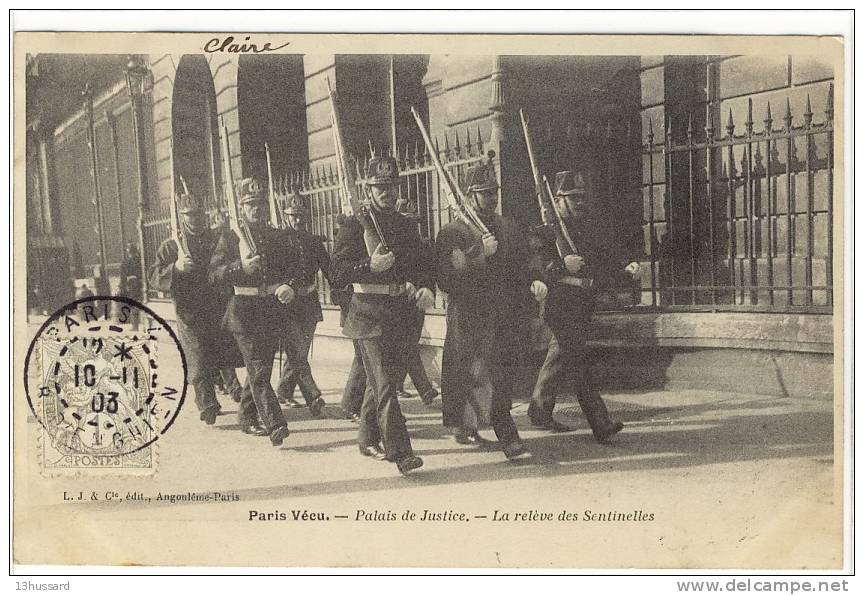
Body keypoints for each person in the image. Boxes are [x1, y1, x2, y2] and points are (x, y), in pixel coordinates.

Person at [436, 158, 547, 460]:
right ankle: (497, 433)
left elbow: (524, 262)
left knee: (498, 374)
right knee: (469, 372)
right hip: (468, 315)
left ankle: (483, 425)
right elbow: (446, 278)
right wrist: (478, 253)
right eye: (485, 193)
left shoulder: (506, 226)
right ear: (469, 195)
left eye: (494, 192)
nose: (492, 198)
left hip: (501, 314)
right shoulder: (453, 232)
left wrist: (535, 280)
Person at [331, 155, 433, 474]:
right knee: (385, 384)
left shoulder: (405, 225)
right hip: (366, 317)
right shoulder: (353, 224)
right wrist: (367, 267)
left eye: (390, 186)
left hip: (399, 314)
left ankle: (366, 437)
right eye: (379, 187)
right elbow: (336, 273)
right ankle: (401, 452)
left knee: (380, 384)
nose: (386, 192)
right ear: (369, 189)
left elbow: (422, 264)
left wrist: (425, 287)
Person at [528, 170, 640, 442]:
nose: (579, 202)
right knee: (579, 361)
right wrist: (559, 266)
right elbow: (534, 266)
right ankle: (600, 424)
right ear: (557, 200)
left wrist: (625, 268)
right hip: (558, 304)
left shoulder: (586, 228)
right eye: (572, 197)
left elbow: (601, 262)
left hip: (581, 304)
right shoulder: (544, 232)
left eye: (581, 197)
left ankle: (539, 409)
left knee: (560, 355)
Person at [209, 177, 304, 447]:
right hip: (243, 313)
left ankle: (247, 416)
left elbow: (295, 269)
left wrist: (289, 286)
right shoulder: (229, 237)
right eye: (251, 205)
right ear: (241, 208)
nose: (257, 210)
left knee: (261, 368)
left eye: (261, 204)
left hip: (270, 311)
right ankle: (276, 424)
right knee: (260, 369)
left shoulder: (276, 236)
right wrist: (240, 267)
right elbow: (214, 275)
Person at [149, 189, 244, 425]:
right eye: (190, 215)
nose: (195, 219)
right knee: (198, 357)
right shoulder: (172, 246)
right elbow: (153, 275)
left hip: (215, 305)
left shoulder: (217, 238)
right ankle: (207, 403)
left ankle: (234, 389)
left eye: (199, 214)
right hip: (188, 310)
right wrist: (177, 268)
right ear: (182, 217)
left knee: (222, 350)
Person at [274, 192, 329, 416]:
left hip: (309, 302)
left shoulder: (314, 241)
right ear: (286, 216)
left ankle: (284, 391)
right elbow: (274, 271)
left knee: (300, 350)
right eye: (293, 216)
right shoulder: (278, 241)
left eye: (301, 216)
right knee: (297, 350)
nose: (297, 220)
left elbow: (329, 268)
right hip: (288, 304)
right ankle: (313, 396)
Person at [119, 242, 143, 329]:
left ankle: (135, 326)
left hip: (131, 285)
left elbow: (123, 277)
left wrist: (122, 286)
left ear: (128, 251)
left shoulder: (125, 262)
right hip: (140, 284)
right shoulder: (140, 260)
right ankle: (141, 324)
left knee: (133, 305)